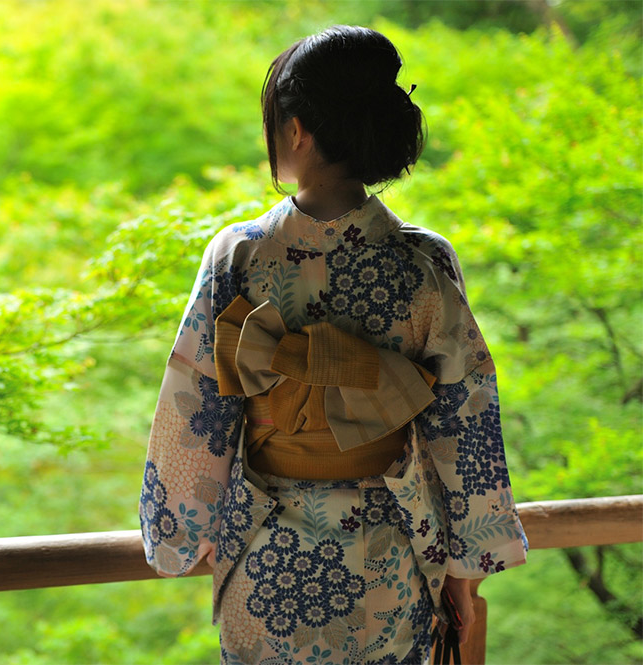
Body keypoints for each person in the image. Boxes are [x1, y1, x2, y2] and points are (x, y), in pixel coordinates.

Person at [139, 26, 528, 665]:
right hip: (390, 552)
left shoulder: (238, 255)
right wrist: (466, 565)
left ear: (297, 131)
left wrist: (178, 532)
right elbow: (465, 417)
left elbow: (195, 403)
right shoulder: (424, 262)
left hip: (267, 556)